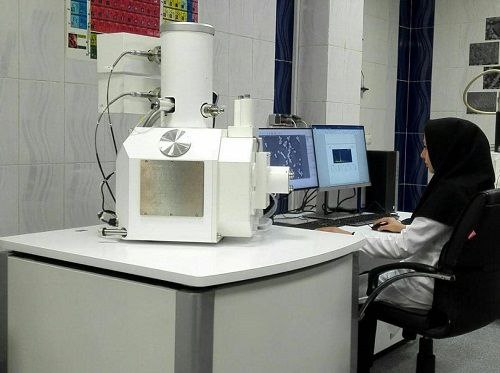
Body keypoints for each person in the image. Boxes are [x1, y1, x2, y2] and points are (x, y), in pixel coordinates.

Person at [318, 117, 495, 372]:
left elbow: (402, 249)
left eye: (427, 147)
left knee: (354, 288)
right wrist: (407, 227)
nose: (422, 155)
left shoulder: (449, 192)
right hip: (463, 292)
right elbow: (441, 230)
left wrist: (348, 237)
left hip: (429, 287)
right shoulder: (473, 185)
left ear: (447, 150)